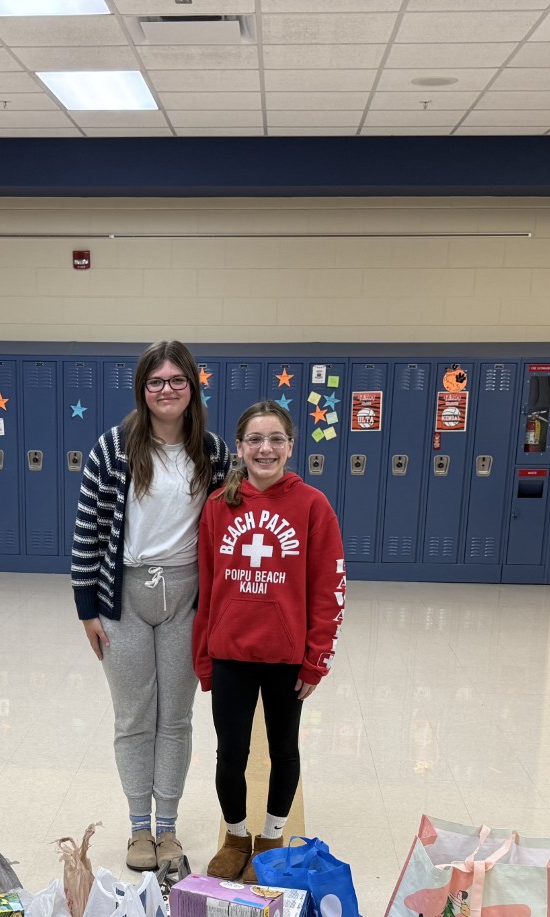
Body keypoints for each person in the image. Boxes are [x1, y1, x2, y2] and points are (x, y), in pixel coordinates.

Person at [70, 340, 231, 874]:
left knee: (177, 718)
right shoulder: (113, 449)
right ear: (143, 388)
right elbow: (88, 529)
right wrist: (87, 607)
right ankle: (140, 826)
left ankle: (168, 826)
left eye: (177, 381)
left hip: (188, 598)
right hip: (123, 598)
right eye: (156, 381)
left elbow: (232, 526)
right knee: (134, 716)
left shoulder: (211, 451)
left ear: (192, 388)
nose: (166, 390)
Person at [192, 399, 345, 882]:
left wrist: (315, 660)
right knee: (230, 752)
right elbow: (207, 584)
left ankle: (273, 835)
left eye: (276, 439)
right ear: (239, 447)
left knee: (284, 749)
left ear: (290, 446)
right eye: (255, 439)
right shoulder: (219, 506)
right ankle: (237, 836)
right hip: (231, 654)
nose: (265, 448)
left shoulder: (312, 505)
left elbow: (328, 587)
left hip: (286, 658)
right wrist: (204, 656)